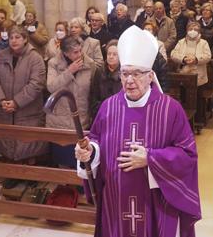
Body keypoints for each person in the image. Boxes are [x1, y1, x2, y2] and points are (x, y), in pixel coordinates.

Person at [74, 26, 201, 237]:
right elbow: (96, 140)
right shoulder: (109, 106)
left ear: (150, 76)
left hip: (156, 204)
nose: (129, 80)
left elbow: (188, 156)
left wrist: (151, 158)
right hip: (115, 201)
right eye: (125, 73)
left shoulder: (170, 109)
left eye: (136, 74)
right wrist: (90, 152)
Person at [0, 25, 48, 184]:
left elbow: (36, 84)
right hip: (5, 108)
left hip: (27, 110)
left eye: (17, 37)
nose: (14, 41)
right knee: (8, 143)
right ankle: (12, 175)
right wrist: (0, 100)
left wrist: (16, 102)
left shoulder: (35, 58)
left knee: (27, 144)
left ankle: (30, 177)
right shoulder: (1, 55)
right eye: (11, 37)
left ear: (25, 39)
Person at [46, 36, 97, 168]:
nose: (80, 54)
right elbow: (51, 87)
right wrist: (69, 71)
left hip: (81, 118)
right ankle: (64, 187)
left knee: (81, 161)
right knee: (62, 161)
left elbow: (93, 92)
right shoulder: (54, 63)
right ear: (65, 53)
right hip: (60, 121)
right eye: (75, 52)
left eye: (80, 50)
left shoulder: (90, 64)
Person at [89, 39, 122, 119]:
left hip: (119, 114)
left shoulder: (125, 73)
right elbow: (94, 96)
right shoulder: (100, 72)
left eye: (115, 54)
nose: (111, 57)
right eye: (109, 54)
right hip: (102, 114)